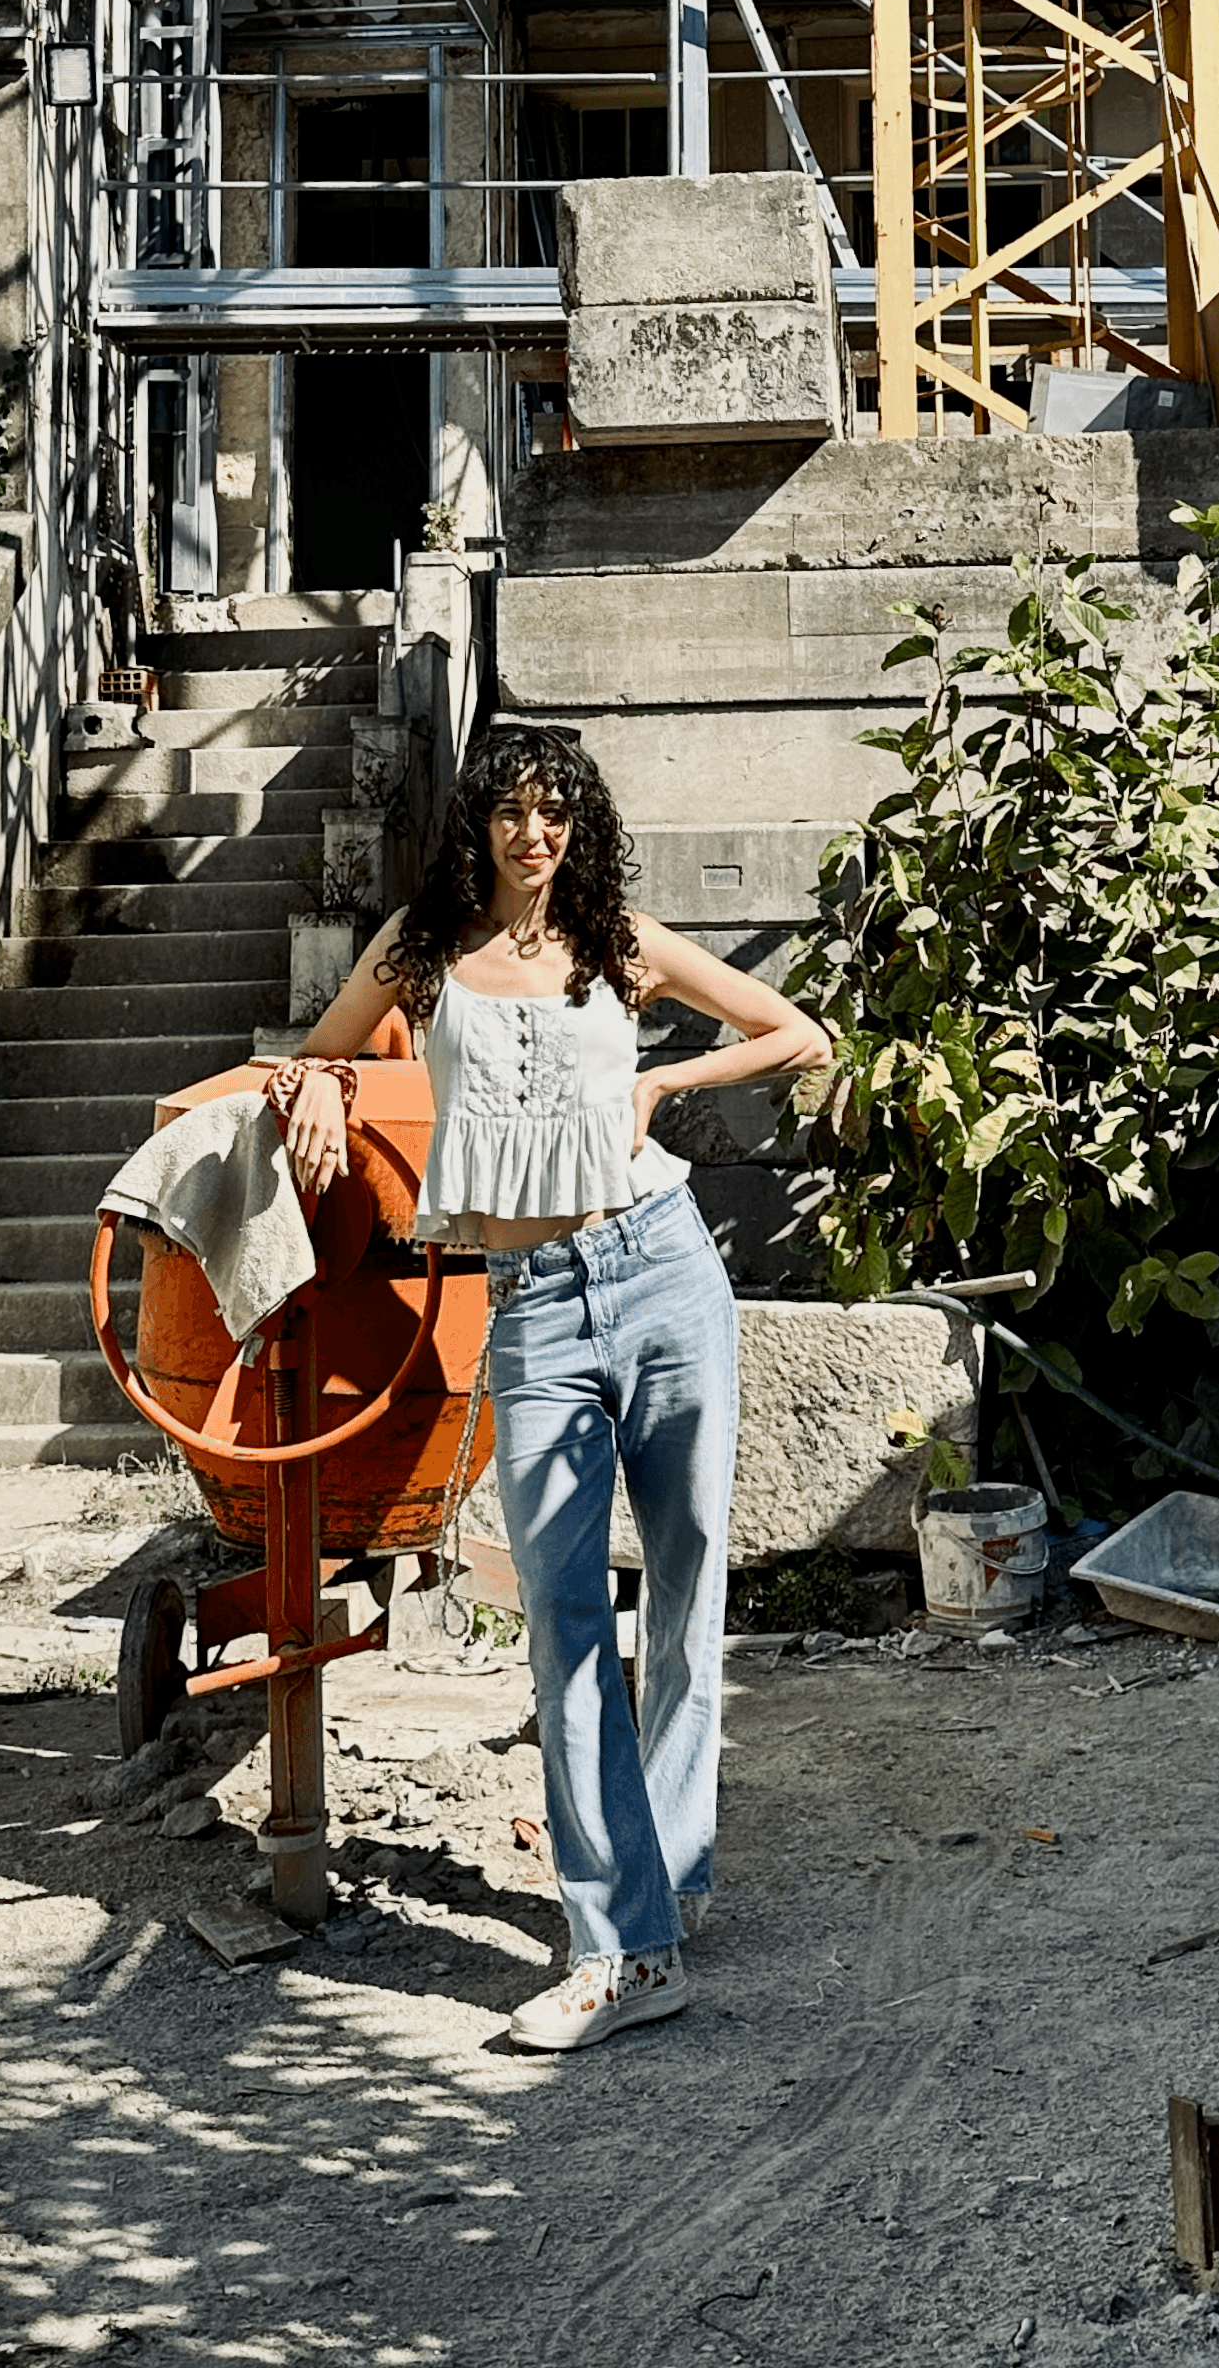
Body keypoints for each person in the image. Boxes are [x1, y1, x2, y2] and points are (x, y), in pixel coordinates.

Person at [286, 718, 828, 2054]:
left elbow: (794, 1033)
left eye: (556, 813)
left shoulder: (616, 942)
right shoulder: (421, 949)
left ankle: (667, 1882)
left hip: (662, 1268)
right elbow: (321, 1048)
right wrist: (318, 1087)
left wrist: (662, 1087)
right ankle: (620, 1950)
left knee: (688, 1584)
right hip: (531, 1305)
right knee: (566, 1621)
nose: (534, 835)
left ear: (579, 827)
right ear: (478, 824)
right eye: (512, 812)